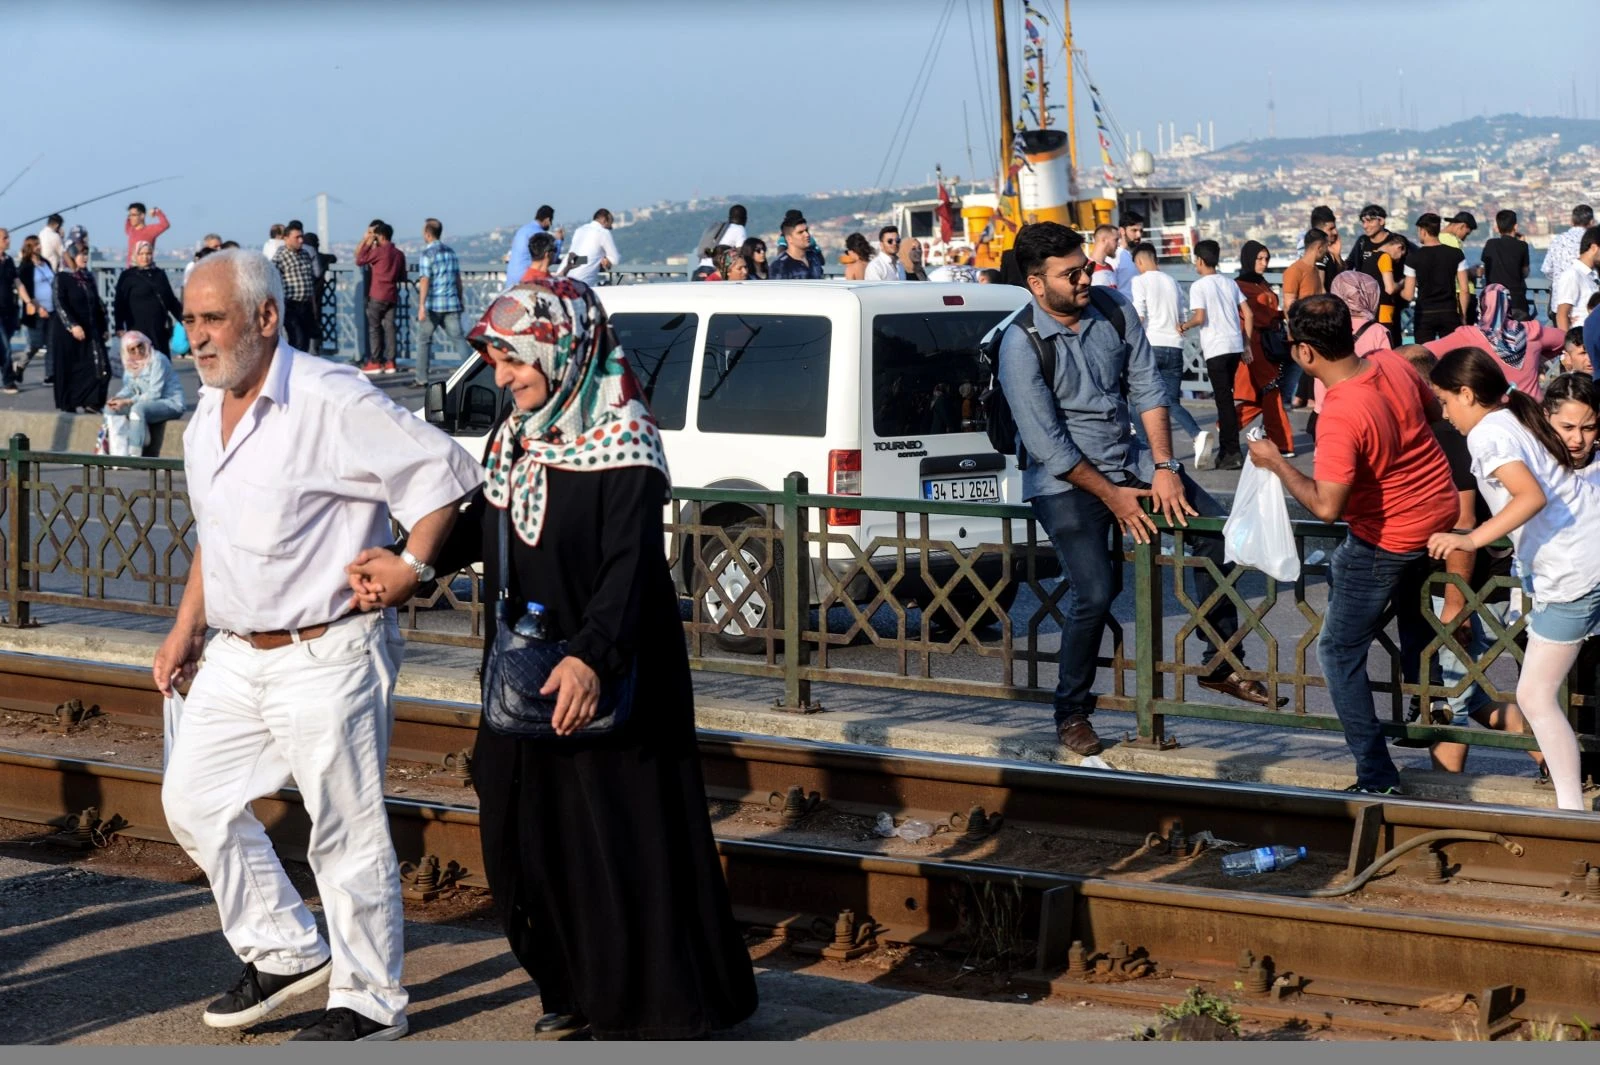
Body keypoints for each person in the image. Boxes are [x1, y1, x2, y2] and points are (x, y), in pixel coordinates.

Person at [344, 276, 760, 1040]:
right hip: (524, 670)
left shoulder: (625, 441)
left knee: (618, 841)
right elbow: (480, 525)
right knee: (519, 836)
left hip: (612, 670)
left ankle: (645, 1004)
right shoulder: (518, 436)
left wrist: (593, 656)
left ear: (560, 344)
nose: (503, 378)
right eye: (497, 362)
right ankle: (568, 984)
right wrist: (413, 566)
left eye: (512, 360)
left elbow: (632, 564)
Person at [155, 249, 482, 1042]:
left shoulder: (332, 398)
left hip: (327, 645)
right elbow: (218, 532)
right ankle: (285, 946)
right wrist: (185, 626)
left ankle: (371, 1001)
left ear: (266, 317)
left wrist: (410, 565)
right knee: (191, 800)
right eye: (190, 320)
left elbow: (446, 472)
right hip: (237, 649)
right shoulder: (206, 413)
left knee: (344, 826)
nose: (196, 338)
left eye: (213, 319)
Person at [996, 222, 1279, 758]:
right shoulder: (1021, 344)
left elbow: (1148, 386)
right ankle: (1071, 711)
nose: (1085, 279)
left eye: (1085, 267)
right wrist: (1114, 496)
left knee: (1212, 531)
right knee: (1095, 592)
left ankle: (1219, 664)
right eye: (1071, 274)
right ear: (1037, 284)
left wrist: (1166, 466)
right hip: (1065, 481)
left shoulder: (1112, 308)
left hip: (1133, 459)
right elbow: (1050, 446)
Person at [1247, 296, 1459, 794]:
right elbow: (1433, 413)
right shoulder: (1395, 363)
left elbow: (1326, 507)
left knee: (1338, 652)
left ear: (1303, 352)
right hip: (1439, 513)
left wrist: (1277, 463)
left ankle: (1376, 774)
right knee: (1414, 625)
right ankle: (1428, 708)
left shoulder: (1342, 411)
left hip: (1390, 536)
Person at [1426, 348, 1600, 811]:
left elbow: (1530, 496)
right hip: (1581, 561)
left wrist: (1470, 540)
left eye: (1445, 401)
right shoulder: (1512, 415)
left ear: (1466, 394)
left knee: (1535, 695)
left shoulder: (1488, 434)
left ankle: (1571, 810)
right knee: (1543, 694)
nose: (1445, 413)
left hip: (1573, 572)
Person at [1395, 346, 1544, 778]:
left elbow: (1466, 524)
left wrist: (1455, 602)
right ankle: (1558, 764)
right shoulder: (1508, 420)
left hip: (1480, 582)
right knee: (1473, 696)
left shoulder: (1466, 433)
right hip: (1511, 576)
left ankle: (1447, 796)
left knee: (1450, 695)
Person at [1178, 239, 1251, 469]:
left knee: (1224, 402)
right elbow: (1248, 314)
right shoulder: (1230, 283)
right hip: (1235, 346)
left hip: (1216, 348)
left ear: (1200, 261)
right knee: (1227, 398)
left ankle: (1232, 452)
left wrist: (1183, 326)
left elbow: (1200, 318)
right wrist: (1247, 343)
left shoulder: (1199, 286)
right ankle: (1228, 451)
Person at [1424, 283, 1565, 399]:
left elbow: (1424, 351)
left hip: (1492, 412)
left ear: (1482, 307)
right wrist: (1539, 356)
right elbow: (1565, 339)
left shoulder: (1469, 335)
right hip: (1533, 413)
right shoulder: (1531, 331)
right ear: (1508, 305)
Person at [1127, 241, 1202, 452]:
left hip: (1151, 345)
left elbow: (1139, 314)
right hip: (1175, 346)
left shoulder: (1139, 281)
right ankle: (1197, 434)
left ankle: (1145, 448)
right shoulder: (1172, 281)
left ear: (1140, 261)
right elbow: (1182, 317)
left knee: (1137, 398)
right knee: (1171, 401)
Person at [1233, 241, 1292, 454]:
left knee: (1262, 396)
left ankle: (1227, 427)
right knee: (1271, 389)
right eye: (1259, 258)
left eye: (1266, 259)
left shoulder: (1261, 283)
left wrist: (1282, 315)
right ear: (1249, 259)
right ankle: (1282, 442)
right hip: (1254, 343)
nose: (1264, 263)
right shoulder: (1239, 285)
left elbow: (1269, 310)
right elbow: (1243, 316)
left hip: (1270, 342)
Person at [50, 242, 110, 413]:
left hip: (89, 329)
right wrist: (72, 325)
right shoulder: (62, 277)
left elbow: (97, 303)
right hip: (68, 332)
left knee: (101, 367)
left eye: (86, 254)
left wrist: (104, 326)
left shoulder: (87, 277)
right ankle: (70, 403)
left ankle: (92, 402)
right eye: (81, 254)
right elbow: (60, 303)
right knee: (71, 368)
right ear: (71, 256)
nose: (85, 257)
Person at [104, 330, 185, 455]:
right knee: (111, 409)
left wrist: (128, 401)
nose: (137, 351)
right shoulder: (130, 363)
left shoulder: (157, 359)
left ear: (145, 343)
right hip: (146, 403)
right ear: (126, 352)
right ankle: (118, 453)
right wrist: (118, 398)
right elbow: (129, 388)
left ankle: (135, 454)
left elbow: (155, 393)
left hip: (169, 404)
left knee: (137, 409)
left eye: (140, 346)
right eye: (132, 349)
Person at [1345, 205, 1408, 347]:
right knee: (1368, 339)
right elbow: (1350, 264)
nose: (1365, 226)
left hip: (1390, 301)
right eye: (1363, 221)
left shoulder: (1396, 242)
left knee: (1391, 339)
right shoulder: (1362, 242)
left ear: (1381, 221)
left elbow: (1414, 261)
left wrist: (1406, 282)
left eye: (1369, 221)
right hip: (1366, 303)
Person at [1400, 213, 1468, 343]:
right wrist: (1463, 316)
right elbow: (1464, 290)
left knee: (1424, 355)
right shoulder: (1456, 254)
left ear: (1423, 231)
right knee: (1451, 354)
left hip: (1424, 313)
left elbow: (1408, 295)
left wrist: (1397, 288)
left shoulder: (1413, 258)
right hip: (1449, 311)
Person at [1280, 228, 1328, 409]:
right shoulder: (1295, 271)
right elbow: (1289, 305)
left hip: (1313, 334)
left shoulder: (1314, 270)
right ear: (1319, 247)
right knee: (1290, 378)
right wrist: (1297, 334)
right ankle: (1271, 425)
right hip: (1301, 336)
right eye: (1326, 247)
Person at [415, 218, 465, 386]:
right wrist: (460, 298)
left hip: (433, 305)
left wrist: (421, 306)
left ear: (428, 234)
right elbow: (458, 279)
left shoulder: (426, 254)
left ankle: (421, 378)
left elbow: (425, 280)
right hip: (451, 303)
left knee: (423, 340)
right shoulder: (451, 252)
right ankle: (474, 372)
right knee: (459, 340)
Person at [114, 240, 184, 357]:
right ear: (135, 255)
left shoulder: (159, 274)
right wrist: (119, 326)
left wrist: (183, 319)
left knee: (161, 361)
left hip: (158, 328)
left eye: (148, 254)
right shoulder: (128, 276)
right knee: (141, 361)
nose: (145, 257)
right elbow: (120, 302)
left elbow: (170, 300)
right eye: (141, 254)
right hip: (137, 327)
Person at [356, 222, 405, 374]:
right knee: (390, 329)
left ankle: (375, 362)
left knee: (374, 328)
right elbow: (402, 276)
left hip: (377, 294)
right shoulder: (399, 254)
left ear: (381, 236)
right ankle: (391, 362)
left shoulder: (380, 252)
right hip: (392, 295)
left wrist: (367, 242)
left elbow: (360, 260)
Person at [272, 224, 318, 352]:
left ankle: (303, 365)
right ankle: (294, 366)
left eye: (301, 237)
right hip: (291, 303)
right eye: (297, 237)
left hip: (306, 303)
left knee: (306, 338)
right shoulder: (280, 257)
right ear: (286, 238)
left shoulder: (305, 254)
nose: (301, 240)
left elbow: (311, 278)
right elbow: (273, 279)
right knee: (297, 337)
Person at [1479, 210, 1531, 319]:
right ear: (1515, 227)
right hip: (1516, 301)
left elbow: (1486, 266)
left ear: (1497, 227)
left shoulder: (1490, 244)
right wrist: (1522, 242)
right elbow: (1525, 273)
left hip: (1494, 301)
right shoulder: (1522, 246)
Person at [0, 228, 33, 394]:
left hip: (9, 310)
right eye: (5, 238)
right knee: (5, 347)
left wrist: (28, 301)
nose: (8, 240)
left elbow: (18, 283)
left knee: (3, 345)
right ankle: (8, 381)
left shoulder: (9, 261)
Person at [16, 234, 51, 384]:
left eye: (39, 244)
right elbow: (26, 291)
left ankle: (50, 375)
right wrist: (38, 308)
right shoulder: (25, 267)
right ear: (30, 247)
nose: (39, 247)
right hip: (36, 312)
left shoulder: (46, 263)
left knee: (52, 343)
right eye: (36, 245)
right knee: (35, 344)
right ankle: (20, 365)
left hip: (52, 310)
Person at [1552, 226, 1600, 334]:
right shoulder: (1572, 275)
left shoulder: (1591, 275)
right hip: (1582, 340)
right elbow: (1562, 314)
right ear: (1593, 248)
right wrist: (1568, 347)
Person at [506, 205, 564, 288]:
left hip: (511, 281)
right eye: (551, 221)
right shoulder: (538, 234)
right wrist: (559, 240)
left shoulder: (523, 229)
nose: (550, 224)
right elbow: (551, 258)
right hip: (527, 280)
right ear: (547, 220)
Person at [561, 209, 621, 287]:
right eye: (610, 224)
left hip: (565, 279)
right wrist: (605, 259)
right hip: (582, 284)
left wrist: (597, 258)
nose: (611, 228)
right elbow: (616, 259)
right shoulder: (603, 232)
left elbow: (585, 257)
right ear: (603, 220)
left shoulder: (579, 230)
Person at [1541, 204, 1594, 289]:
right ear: (1591, 222)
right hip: (1586, 297)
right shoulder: (1593, 242)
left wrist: (1560, 280)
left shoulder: (1557, 240)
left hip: (1559, 296)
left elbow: (1547, 269)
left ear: (1572, 222)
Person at [768, 212, 825, 280]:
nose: (807, 235)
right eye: (800, 232)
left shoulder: (813, 258)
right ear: (789, 239)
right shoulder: (780, 265)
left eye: (807, 231)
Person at [1110, 211, 1144, 290]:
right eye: (1134, 230)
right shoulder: (1114, 257)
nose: (1139, 235)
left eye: (1141, 231)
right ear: (1122, 231)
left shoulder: (1140, 255)